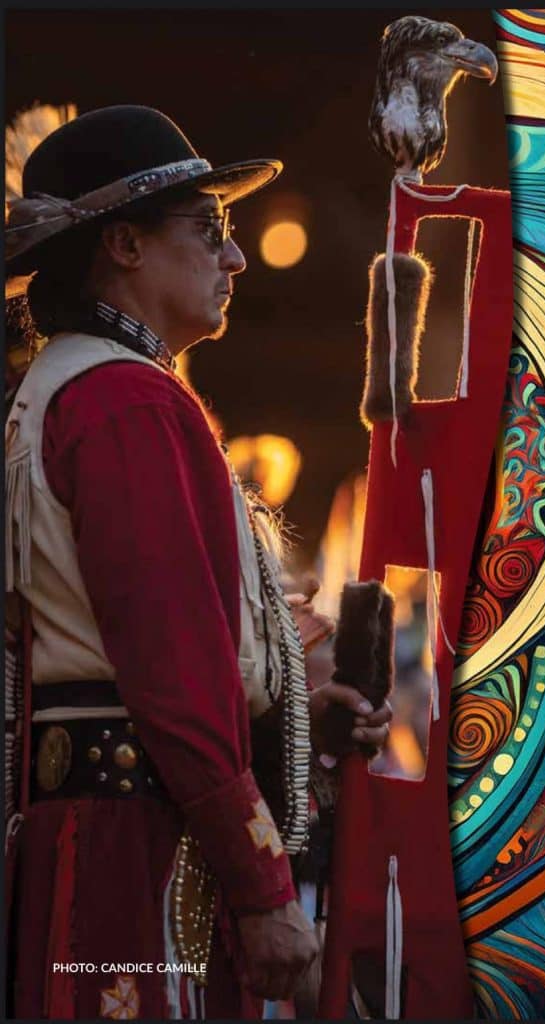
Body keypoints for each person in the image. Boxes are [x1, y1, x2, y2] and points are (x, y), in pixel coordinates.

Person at [4, 104, 391, 1019]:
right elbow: (172, 671)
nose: (237, 258)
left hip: (99, 830)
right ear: (126, 246)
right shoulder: (125, 402)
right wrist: (262, 887)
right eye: (212, 229)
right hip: (138, 849)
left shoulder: (64, 390)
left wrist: (298, 737)